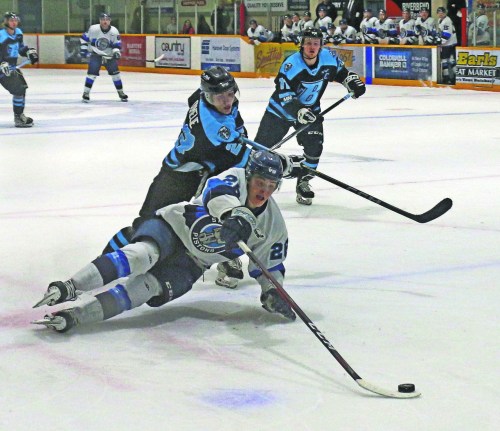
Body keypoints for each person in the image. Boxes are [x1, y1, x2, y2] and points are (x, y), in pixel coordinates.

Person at [32, 150, 297, 333]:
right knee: (139, 255)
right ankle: (69, 286)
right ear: (250, 177)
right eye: (260, 182)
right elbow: (215, 192)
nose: (263, 190)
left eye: (271, 185)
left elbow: (270, 265)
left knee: (145, 288)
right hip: (174, 227)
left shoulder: (273, 226)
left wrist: (273, 291)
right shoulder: (235, 178)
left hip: (195, 262)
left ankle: (75, 317)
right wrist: (234, 216)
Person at [100, 66, 300, 289]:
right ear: (207, 95)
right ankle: (105, 262)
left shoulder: (206, 99)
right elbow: (247, 161)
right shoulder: (215, 128)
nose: (227, 102)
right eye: (219, 97)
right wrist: (284, 164)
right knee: (144, 226)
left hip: (203, 171)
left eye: (230, 94)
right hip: (178, 175)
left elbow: (193, 100)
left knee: (218, 215)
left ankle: (226, 258)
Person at [254, 28, 366, 206]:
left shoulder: (328, 59)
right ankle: (248, 184)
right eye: (308, 43)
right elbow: (284, 92)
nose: (311, 47)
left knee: (314, 148)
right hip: (279, 112)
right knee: (260, 150)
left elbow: (342, 73)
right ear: (302, 45)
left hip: (311, 112)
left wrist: (353, 82)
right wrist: (298, 110)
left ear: (321, 46)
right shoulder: (291, 65)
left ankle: (303, 181)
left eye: (315, 43)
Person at [0, 12, 38, 128]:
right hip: (2, 69)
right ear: (6, 22)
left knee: (21, 90)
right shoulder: (1, 35)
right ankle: (18, 117)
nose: (14, 22)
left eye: (15, 20)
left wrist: (28, 52)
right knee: (19, 90)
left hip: (11, 68)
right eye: (11, 20)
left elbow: (20, 48)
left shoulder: (18, 33)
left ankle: (19, 116)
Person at [80, 13, 127, 103]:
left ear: (110, 21)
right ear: (100, 20)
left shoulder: (114, 31)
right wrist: (84, 51)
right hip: (96, 54)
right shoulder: (93, 29)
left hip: (109, 56)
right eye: (103, 19)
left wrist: (116, 52)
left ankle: (121, 93)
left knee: (116, 75)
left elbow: (117, 45)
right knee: (91, 75)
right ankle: (86, 93)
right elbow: (83, 39)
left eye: (107, 20)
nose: (105, 21)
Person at [436, 7, 457, 84]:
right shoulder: (440, 20)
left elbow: (447, 35)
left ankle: (454, 77)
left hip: (450, 44)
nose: (440, 14)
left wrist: (439, 42)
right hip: (447, 44)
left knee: (450, 61)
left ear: (445, 13)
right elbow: (440, 33)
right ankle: (447, 77)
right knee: (446, 61)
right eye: (439, 13)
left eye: (442, 12)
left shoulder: (447, 21)